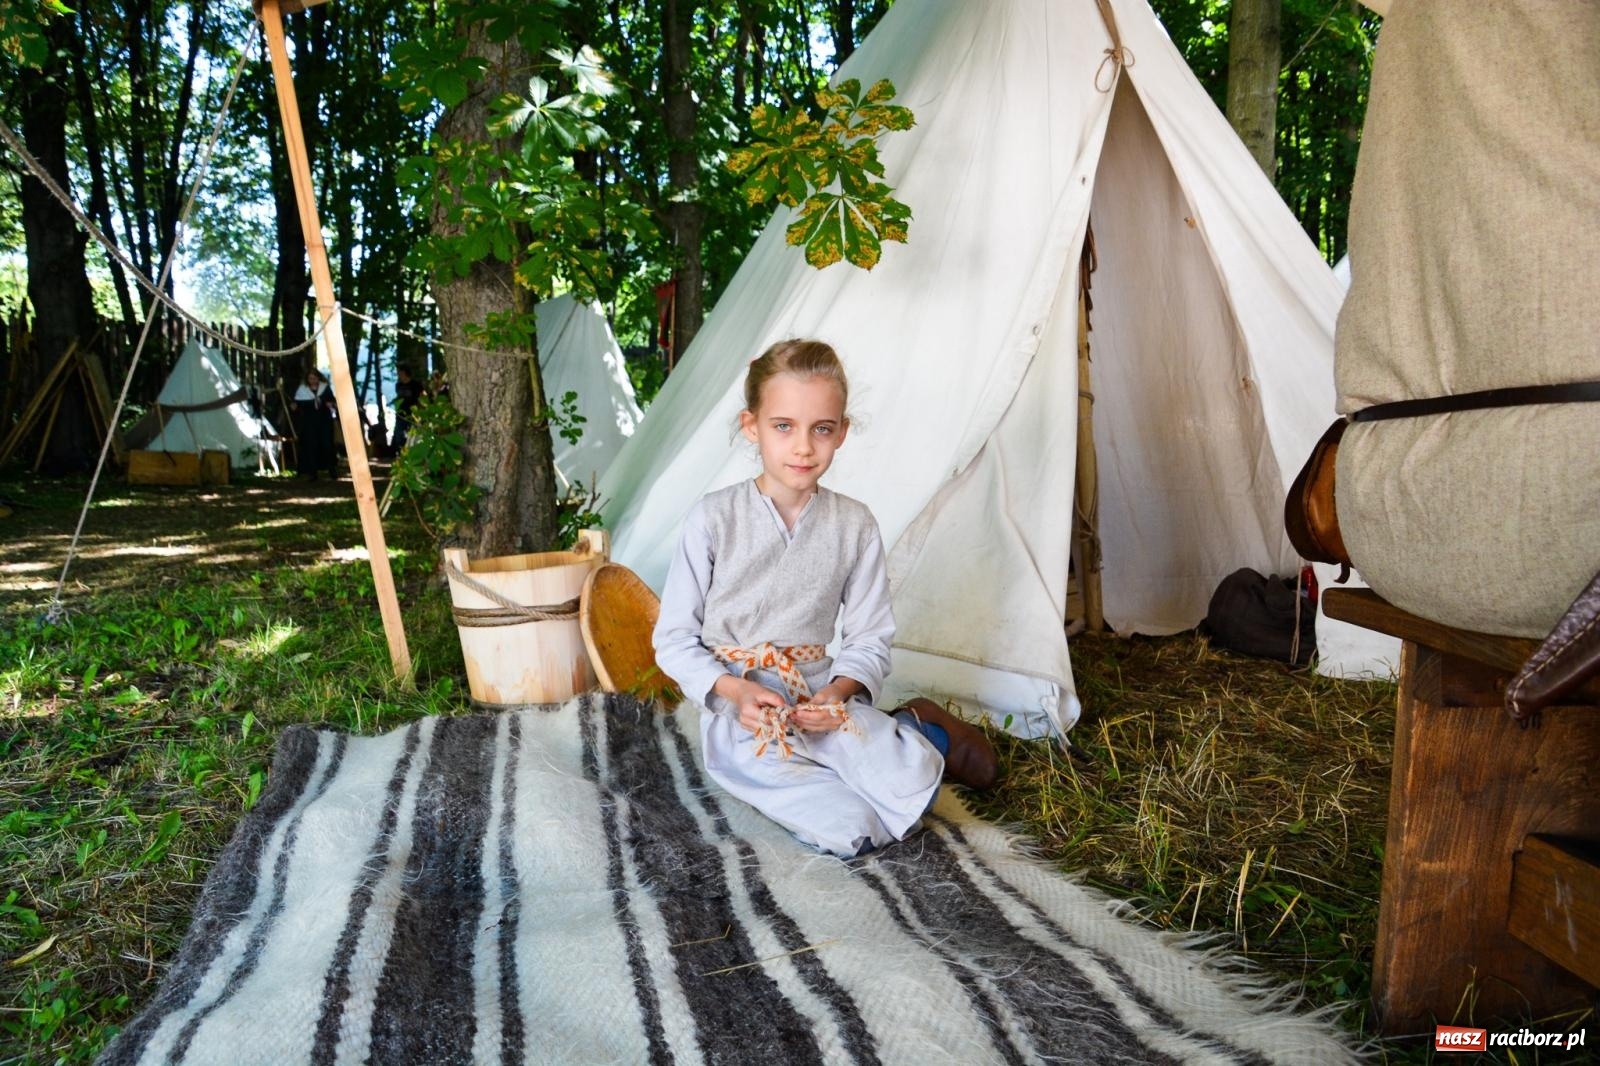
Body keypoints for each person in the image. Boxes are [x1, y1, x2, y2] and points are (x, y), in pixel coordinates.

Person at [652, 338, 999, 859]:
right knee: (854, 828)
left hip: (821, 701)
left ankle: (918, 730)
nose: (803, 447)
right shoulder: (713, 518)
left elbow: (870, 636)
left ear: (841, 432)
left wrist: (838, 692)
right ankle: (897, 735)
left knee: (911, 783)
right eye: (783, 426)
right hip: (745, 717)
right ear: (751, 426)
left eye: (821, 428)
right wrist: (735, 692)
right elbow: (674, 640)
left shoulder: (854, 524)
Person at [292, 368, 337, 479]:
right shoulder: (303, 390)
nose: (312, 380)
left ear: (318, 378)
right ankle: (312, 472)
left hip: (324, 420)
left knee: (327, 444)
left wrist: (330, 404)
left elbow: (332, 401)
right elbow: (297, 405)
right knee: (311, 445)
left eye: (314, 378)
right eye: (310, 378)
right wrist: (295, 407)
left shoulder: (325, 388)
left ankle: (332, 469)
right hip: (309, 422)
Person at [390, 366, 423, 453]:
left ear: (405, 373)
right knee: (399, 436)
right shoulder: (398, 385)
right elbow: (399, 397)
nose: (399, 375)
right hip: (401, 414)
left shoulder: (416, 385)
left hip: (413, 414)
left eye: (400, 373)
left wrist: (420, 412)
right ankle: (401, 453)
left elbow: (421, 398)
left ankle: (412, 453)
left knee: (413, 436)